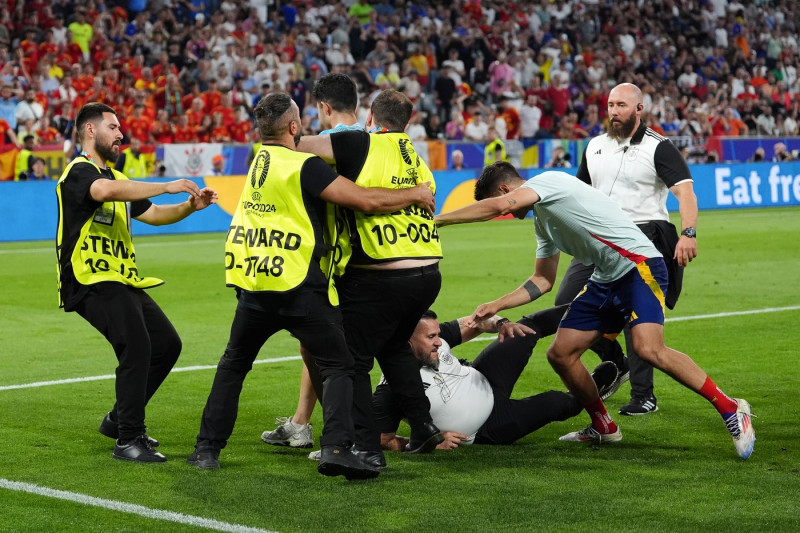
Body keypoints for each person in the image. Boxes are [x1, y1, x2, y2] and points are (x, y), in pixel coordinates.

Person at [434, 162, 755, 460]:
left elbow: (501, 207)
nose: (506, 213)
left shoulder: (548, 181)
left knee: (648, 348)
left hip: (638, 264)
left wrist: (438, 219)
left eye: (501, 204)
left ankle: (731, 408)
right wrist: (497, 304)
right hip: (606, 278)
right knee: (561, 353)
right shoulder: (543, 221)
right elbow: (542, 281)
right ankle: (604, 426)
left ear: (505, 191)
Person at [189, 93, 436, 478]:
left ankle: (206, 449)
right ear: (292, 127)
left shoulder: (260, 162)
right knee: (340, 364)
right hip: (300, 285)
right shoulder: (303, 165)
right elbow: (364, 200)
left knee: (233, 365)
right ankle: (337, 448)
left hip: (254, 285)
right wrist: (415, 193)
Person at [55, 102, 218, 463]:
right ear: (90, 131)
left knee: (166, 345)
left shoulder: (119, 181)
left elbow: (157, 215)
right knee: (137, 346)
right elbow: (103, 193)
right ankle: (128, 439)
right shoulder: (79, 172)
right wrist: (166, 185)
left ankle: (119, 419)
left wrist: (191, 206)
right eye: (113, 127)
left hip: (121, 278)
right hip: (90, 278)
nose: (121, 134)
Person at [296, 90, 445, 466]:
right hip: (427, 274)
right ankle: (424, 426)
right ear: (407, 123)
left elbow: (296, 144)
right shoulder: (416, 158)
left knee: (353, 359)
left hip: (381, 275)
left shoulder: (361, 142)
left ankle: (366, 447)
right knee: (394, 347)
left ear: (370, 119)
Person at [567, 83, 699, 416]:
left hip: (643, 236)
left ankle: (644, 395)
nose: (614, 111)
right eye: (610, 104)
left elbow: (685, 193)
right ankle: (616, 362)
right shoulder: (595, 146)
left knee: (634, 318)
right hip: (598, 240)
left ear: (639, 109)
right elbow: (580, 194)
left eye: (622, 105)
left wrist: (689, 233)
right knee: (565, 305)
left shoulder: (659, 147)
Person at [260, 72, 366, 449]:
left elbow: (290, 146)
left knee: (330, 348)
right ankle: (302, 422)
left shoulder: (341, 140)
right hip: (354, 253)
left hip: (340, 257)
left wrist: (279, 130)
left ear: (323, 107)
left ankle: (348, 435)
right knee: (314, 343)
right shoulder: (374, 139)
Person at [375, 310, 619, 451]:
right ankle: (597, 383)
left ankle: (596, 307)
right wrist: (428, 442)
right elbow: (381, 439)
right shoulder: (392, 387)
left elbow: (478, 321)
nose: (439, 341)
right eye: (431, 337)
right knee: (559, 403)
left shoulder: (437, 340)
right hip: (489, 426)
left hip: (484, 377)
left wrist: (502, 324)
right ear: (407, 342)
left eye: (438, 334)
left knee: (523, 330)